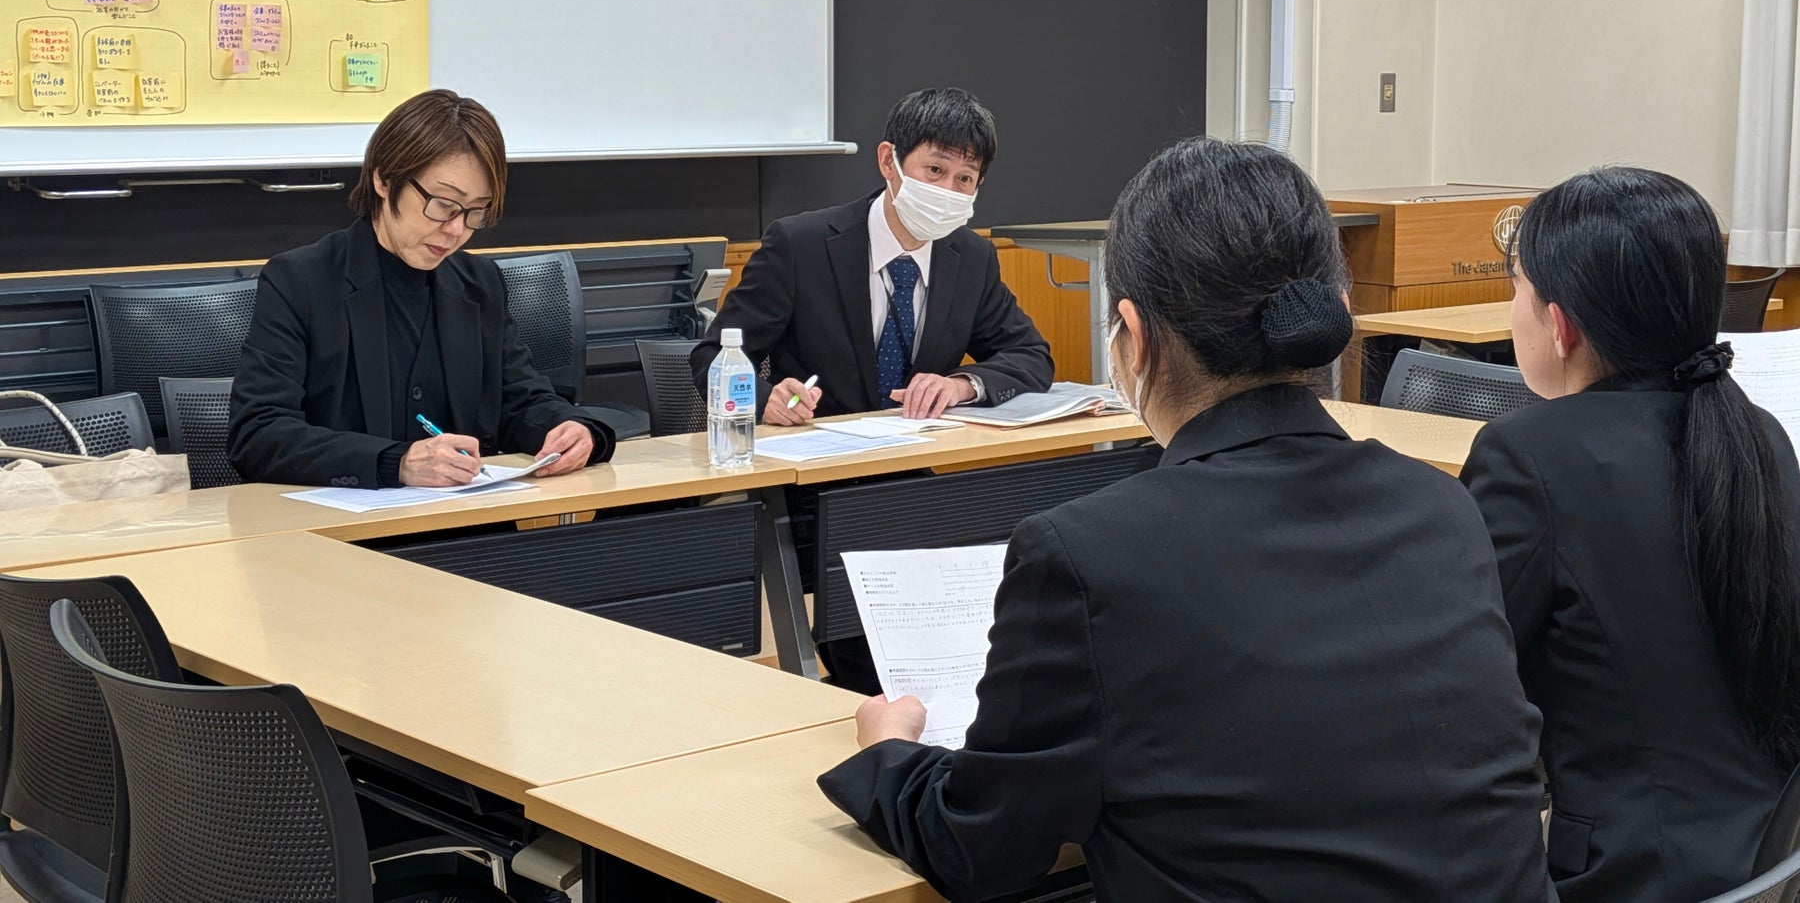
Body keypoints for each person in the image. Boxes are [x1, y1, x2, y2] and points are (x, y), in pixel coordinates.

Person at [818, 137, 1551, 903]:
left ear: (1133, 338)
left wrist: (887, 752)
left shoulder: (1089, 555)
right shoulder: (1443, 508)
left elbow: (983, 848)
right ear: (1328, 315)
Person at [1460, 167, 1800, 901]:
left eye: (1517, 287)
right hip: (1769, 857)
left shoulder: (1529, 455)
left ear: (1560, 325)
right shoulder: (1760, 434)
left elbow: (1467, 678)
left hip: (1628, 873)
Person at [229, 89, 615, 487]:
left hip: (461, 516)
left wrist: (572, 428)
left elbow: (519, 398)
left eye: (475, 212)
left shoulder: (478, 284)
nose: (456, 229)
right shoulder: (301, 281)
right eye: (443, 204)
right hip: (338, 518)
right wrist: (396, 462)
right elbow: (259, 435)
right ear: (384, 179)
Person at [689, 87, 1052, 424]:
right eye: (935, 170)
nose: (947, 190)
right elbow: (712, 357)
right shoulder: (800, 246)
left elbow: (1031, 355)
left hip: (918, 457)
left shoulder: (971, 257)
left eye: (965, 179)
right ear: (888, 161)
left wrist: (962, 386)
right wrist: (765, 399)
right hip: (814, 455)